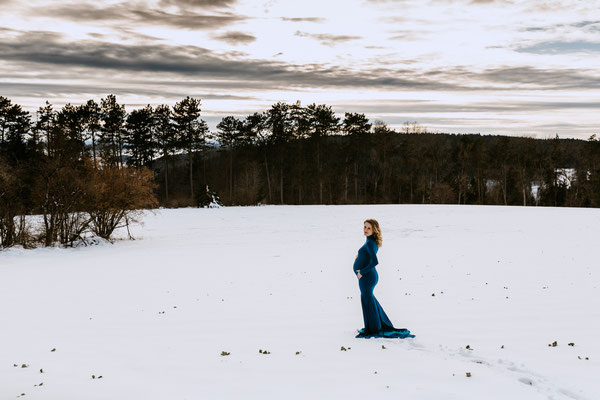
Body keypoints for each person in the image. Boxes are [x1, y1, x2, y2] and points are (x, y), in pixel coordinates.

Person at [353, 219, 415, 339]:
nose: (365, 230)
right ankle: (373, 326)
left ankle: (374, 329)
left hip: (367, 276)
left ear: (374, 230)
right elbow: (369, 256)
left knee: (367, 299)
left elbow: (375, 261)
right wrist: (359, 256)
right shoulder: (370, 241)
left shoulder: (370, 243)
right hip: (367, 276)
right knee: (367, 299)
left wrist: (362, 271)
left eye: (369, 228)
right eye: (364, 227)